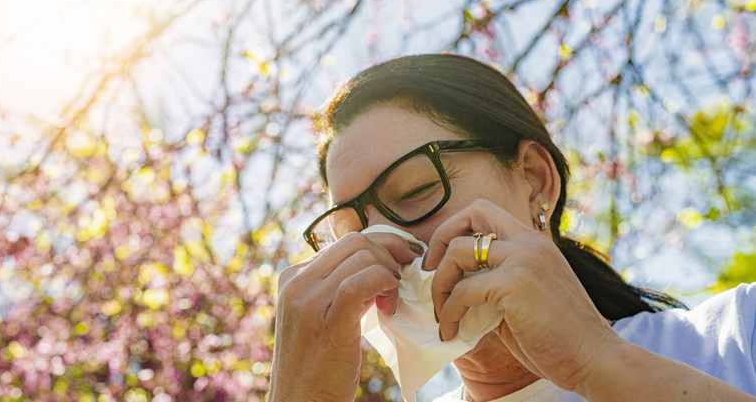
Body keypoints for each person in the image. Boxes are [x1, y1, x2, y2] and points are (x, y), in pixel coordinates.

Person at [268, 54, 756, 401]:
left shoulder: (738, 334)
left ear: (535, 181)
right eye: (351, 234)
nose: (385, 247)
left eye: (416, 190)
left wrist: (596, 362)